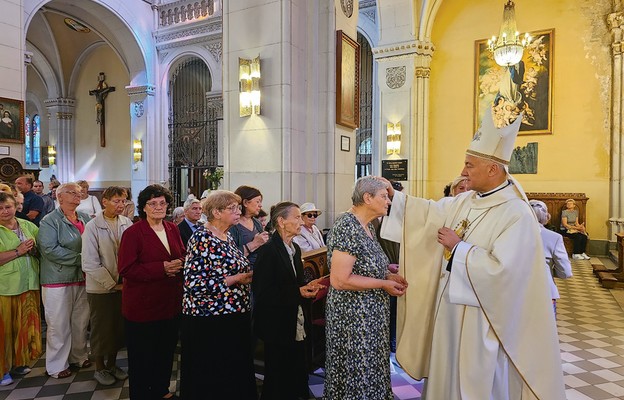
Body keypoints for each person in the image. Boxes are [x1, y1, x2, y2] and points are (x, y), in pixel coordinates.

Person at [380, 108, 565, 399]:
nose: (463, 172)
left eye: (469, 165)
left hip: (483, 319)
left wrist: (459, 249)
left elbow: (506, 273)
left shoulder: (516, 213)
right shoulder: (466, 200)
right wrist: (397, 199)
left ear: (493, 169)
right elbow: (431, 213)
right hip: (451, 314)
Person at [323, 176, 408, 399]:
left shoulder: (367, 225)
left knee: (371, 367)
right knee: (356, 370)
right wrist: (383, 283)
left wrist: (388, 272)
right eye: (384, 196)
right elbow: (340, 280)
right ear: (367, 198)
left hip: (369, 316)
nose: (388, 201)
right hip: (353, 317)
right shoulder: (346, 226)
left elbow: (364, 265)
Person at [180, 190, 256, 400]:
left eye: (238, 207)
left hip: (232, 314)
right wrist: (236, 279)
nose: (238, 211)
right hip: (209, 318)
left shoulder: (227, 236)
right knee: (214, 373)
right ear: (216, 212)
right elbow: (193, 283)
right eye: (233, 208)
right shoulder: (202, 237)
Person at [118, 184, 184, 400]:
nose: (158, 207)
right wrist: (162, 268)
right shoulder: (133, 233)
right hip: (143, 307)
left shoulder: (172, 228)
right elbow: (126, 269)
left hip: (169, 303)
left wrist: (181, 263)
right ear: (143, 207)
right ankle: (141, 395)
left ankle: (161, 390)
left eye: (162, 203)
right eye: (153, 203)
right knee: (142, 358)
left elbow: (182, 254)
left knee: (165, 353)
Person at [253, 202, 323, 399]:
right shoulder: (269, 251)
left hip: (294, 318)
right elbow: (263, 293)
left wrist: (309, 287)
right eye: (297, 217)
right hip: (276, 323)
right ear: (282, 222)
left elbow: (296, 284)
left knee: (296, 368)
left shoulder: (295, 249)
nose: (301, 222)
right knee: (278, 374)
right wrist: (298, 291)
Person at [38, 183, 92, 379]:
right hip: (58, 278)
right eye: (72, 193)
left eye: (79, 193)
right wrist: (83, 259)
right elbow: (49, 249)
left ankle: (78, 356)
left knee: (80, 321)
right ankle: (56, 365)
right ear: (59, 197)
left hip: (83, 277)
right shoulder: (50, 221)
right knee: (58, 324)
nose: (78, 196)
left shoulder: (85, 218)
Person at [81, 186, 133, 385]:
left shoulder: (126, 222)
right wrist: (112, 284)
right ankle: (100, 368)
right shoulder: (93, 226)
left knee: (117, 328)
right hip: (101, 287)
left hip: (123, 284)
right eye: (116, 201)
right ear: (105, 202)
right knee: (102, 328)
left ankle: (112, 364)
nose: (120, 205)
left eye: (123, 201)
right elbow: (90, 263)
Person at [0, 192, 41, 386]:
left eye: (8, 207)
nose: (4, 211)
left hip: (28, 283)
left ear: (15, 206)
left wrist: (33, 249)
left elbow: (40, 249)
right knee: (4, 331)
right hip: (5, 287)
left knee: (23, 328)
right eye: (0, 208)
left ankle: (18, 362)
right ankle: (2, 370)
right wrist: (19, 251)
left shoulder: (27, 225)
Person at [530, 200, 573, 315]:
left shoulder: (511, 235)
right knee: (545, 331)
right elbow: (565, 272)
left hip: (515, 293)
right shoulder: (555, 238)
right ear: (546, 216)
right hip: (545, 291)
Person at [229, 185, 269, 266]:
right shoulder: (232, 225)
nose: (260, 205)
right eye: (257, 201)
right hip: (243, 271)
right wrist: (254, 244)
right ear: (245, 203)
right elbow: (231, 256)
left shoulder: (257, 223)